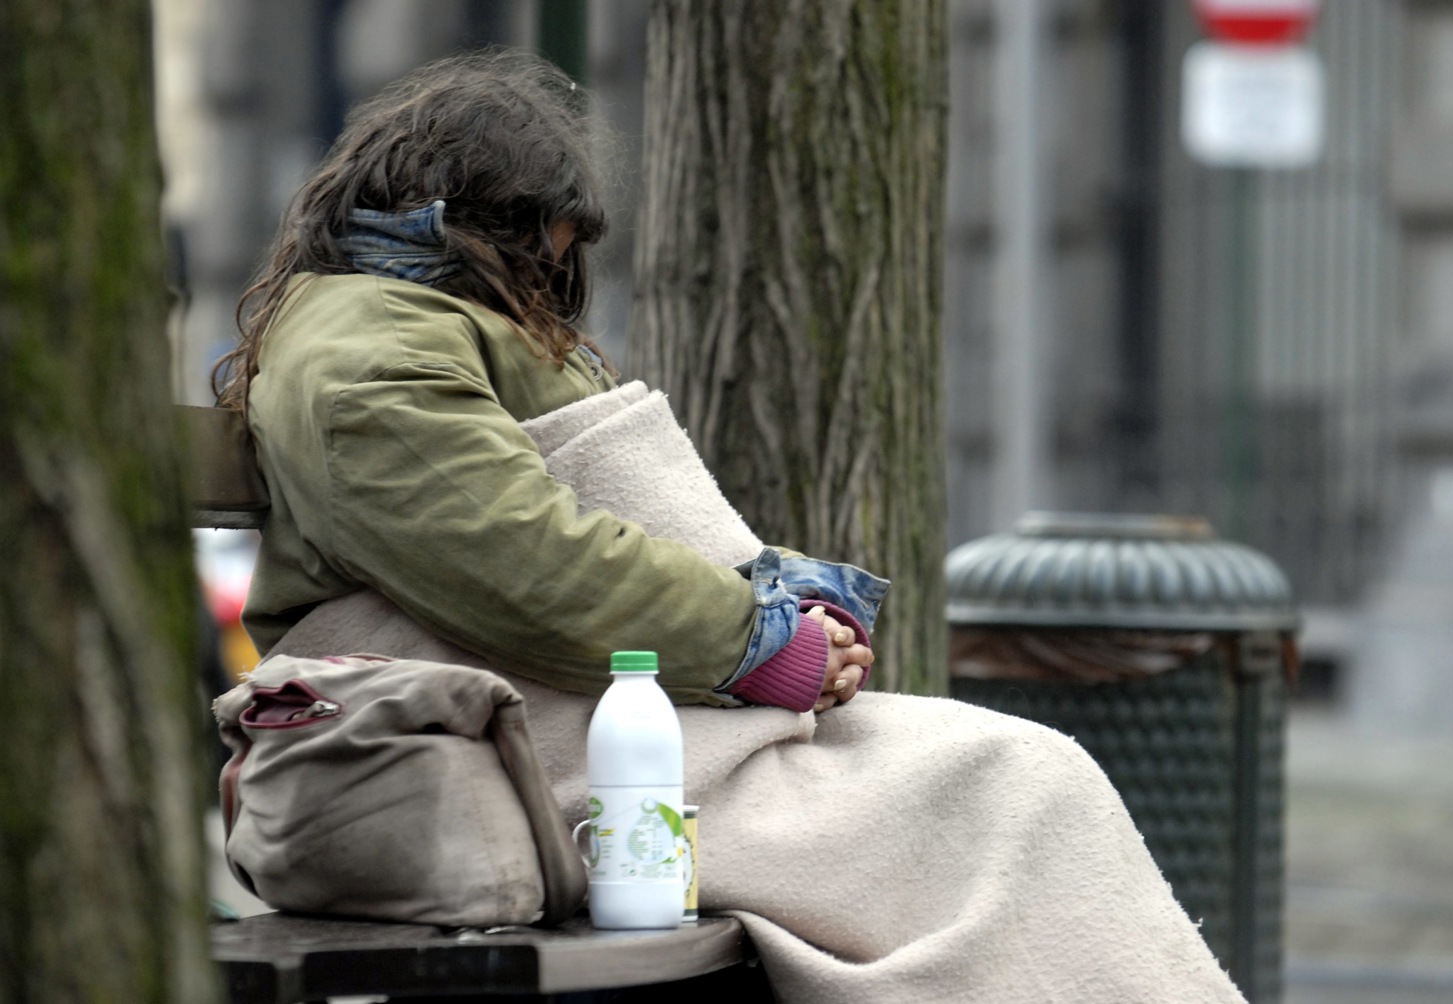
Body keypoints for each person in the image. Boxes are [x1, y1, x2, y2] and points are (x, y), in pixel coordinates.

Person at [216, 49, 1247, 1004]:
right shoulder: (368, 354)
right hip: (555, 745)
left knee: (1026, 778)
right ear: (476, 221)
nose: (547, 287)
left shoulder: (403, 322)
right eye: (539, 256)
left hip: (631, 718)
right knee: (1011, 788)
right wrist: (768, 642)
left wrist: (778, 617)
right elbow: (526, 564)